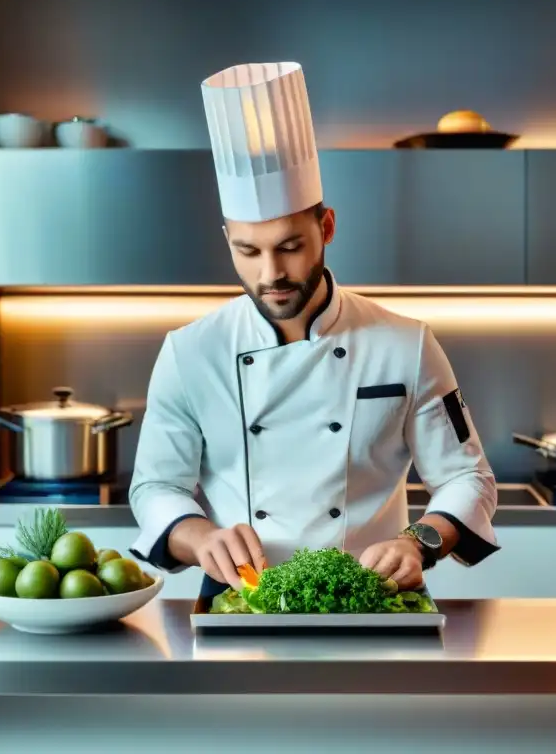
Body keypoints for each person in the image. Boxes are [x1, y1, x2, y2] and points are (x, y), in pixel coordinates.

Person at [128, 61, 499, 599]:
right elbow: (157, 486)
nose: (270, 273)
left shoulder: (406, 343)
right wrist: (199, 537)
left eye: (290, 246)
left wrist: (418, 541)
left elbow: (469, 479)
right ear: (228, 238)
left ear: (326, 228)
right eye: (247, 251)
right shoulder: (190, 352)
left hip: (375, 600)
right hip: (240, 601)